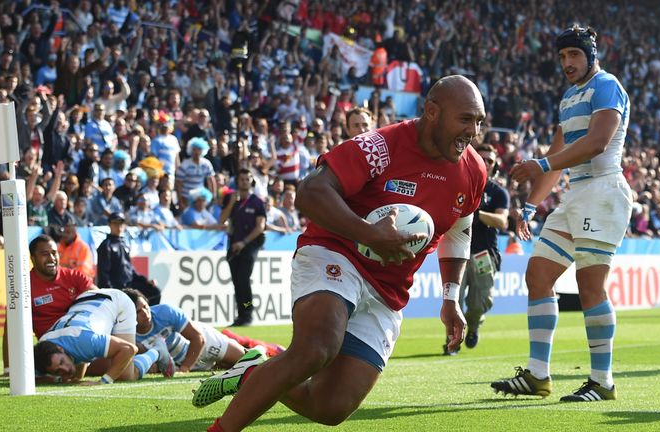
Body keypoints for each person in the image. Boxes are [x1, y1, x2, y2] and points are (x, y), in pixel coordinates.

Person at [193, 75, 487, 431]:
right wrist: (369, 234)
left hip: (387, 292)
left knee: (330, 408)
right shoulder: (380, 146)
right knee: (317, 349)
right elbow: (310, 192)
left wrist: (450, 297)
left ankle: (253, 365)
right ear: (432, 112)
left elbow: (459, 229)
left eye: (479, 121)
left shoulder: (473, 170)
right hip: (336, 253)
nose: (474, 131)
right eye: (466, 119)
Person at [491, 26, 632, 403]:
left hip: (604, 190)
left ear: (590, 55)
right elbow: (556, 159)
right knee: (537, 275)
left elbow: (597, 143)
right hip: (577, 194)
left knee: (590, 288)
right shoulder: (569, 96)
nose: (567, 63)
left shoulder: (607, 85)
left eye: (573, 55)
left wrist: (541, 162)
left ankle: (603, 382)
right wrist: (530, 204)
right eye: (562, 57)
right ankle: (538, 376)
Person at [443, 144, 509, 355]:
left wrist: (474, 212)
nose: (486, 163)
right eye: (482, 158)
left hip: (483, 254)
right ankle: (451, 341)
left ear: (495, 166)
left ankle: (473, 326)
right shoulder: (457, 184)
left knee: (481, 301)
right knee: (454, 297)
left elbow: (502, 221)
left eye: (490, 160)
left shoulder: (498, 192)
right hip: (456, 251)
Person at [122, 288, 284, 374]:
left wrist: (185, 369)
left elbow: (198, 338)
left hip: (205, 344)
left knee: (252, 363)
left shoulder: (165, 312)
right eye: (138, 311)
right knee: (232, 370)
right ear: (129, 314)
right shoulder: (125, 332)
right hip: (183, 362)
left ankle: (275, 353)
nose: (145, 314)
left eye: (146, 307)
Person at [2, 234, 97, 375]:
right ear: (32, 258)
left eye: (54, 253)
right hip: (52, 351)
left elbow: (101, 302)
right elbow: (11, 327)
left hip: (82, 340)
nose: (51, 258)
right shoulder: (23, 286)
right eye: (45, 254)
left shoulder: (74, 277)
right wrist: (9, 368)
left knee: (122, 364)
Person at [34, 288, 174, 384]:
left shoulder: (84, 341)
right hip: (84, 299)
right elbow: (34, 377)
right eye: (58, 371)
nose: (65, 370)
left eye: (62, 363)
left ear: (60, 349)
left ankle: (157, 350)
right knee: (75, 375)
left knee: (125, 376)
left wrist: (103, 381)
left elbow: (129, 349)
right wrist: (62, 379)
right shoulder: (42, 348)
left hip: (118, 302)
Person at [219, 169, 266, 327]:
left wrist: (244, 242)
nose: (244, 182)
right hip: (233, 246)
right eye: (242, 179)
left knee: (243, 280)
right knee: (237, 282)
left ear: (251, 181)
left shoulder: (257, 202)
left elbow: (260, 227)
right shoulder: (231, 199)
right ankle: (241, 314)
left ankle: (247, 312)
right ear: (237, 182)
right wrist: (232, 202)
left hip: (249, 245)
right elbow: (222, 220)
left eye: (247, 179)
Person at [96, 212, 162, 305]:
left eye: (121, 223)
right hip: (118, 289)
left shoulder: (124, 244)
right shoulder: (106, 246)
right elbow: (103, 276)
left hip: (130, 286)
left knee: (154, 292)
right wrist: (111, 294)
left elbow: (131, 271)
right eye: (115, 223)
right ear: (109, 224)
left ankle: (148, 318)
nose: (119, 226)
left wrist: (145, 280)